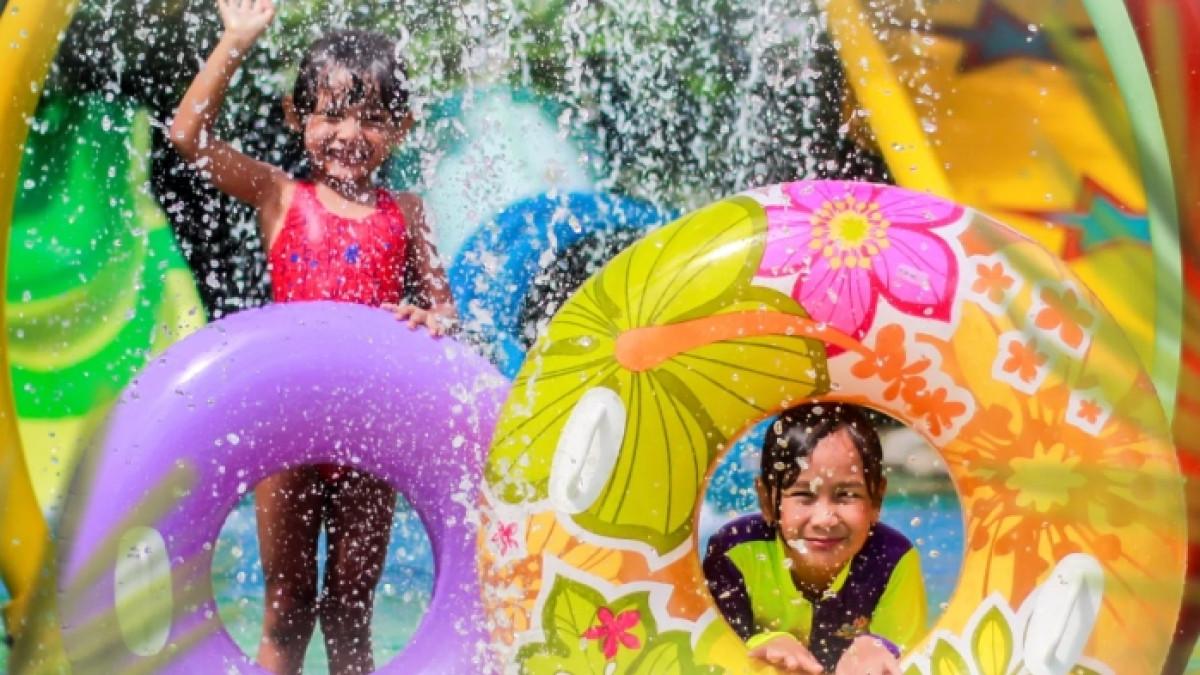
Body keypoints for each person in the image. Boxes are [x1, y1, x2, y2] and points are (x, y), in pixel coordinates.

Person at [170, 1, 455, 672]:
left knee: (351, 610)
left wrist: (433, 320)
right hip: (289, 434)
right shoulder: (279, 197)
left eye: (373, 119)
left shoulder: (409, 214)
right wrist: (236, 38)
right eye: (330, 114)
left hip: (369, 433)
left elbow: (444, 309)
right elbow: (188, 135)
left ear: (402, 128)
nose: (349, 133)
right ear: (297, 118)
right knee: (288, 604)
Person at [704, 403, 927, 674]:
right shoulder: (734, 553)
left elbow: (913, 654)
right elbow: (707, 649)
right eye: (803, 495)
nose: (825, 519)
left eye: (847, 495)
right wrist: (766, 642)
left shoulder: (891, 560)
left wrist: (880, 646)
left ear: (876, 498)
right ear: (766, 499)